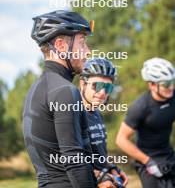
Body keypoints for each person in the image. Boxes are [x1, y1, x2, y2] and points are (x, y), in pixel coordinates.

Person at [22, 10, 97, 188]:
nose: (87, 52)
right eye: (82, 43)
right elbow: (74, 160)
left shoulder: (37, 89)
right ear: (61, 46)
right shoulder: (65, 90)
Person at [116, 57, 175, 188]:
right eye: (166, 84)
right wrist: (147, 161)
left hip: (168, 155)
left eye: (172, 81)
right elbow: (121, 139)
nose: (171, 87)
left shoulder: (173, 97)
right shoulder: (140, 107)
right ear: (152, 85)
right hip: (147, 160)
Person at [80, 58, 128, 188]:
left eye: (108, 87)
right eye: (97, 86)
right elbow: (69, 159)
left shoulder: (96, 113)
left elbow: (98, 154)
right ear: (82, 84)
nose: (102, 93)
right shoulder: (73, 114)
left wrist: (111, 167)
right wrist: (100, 177)